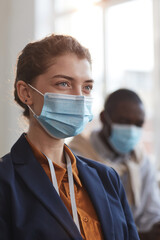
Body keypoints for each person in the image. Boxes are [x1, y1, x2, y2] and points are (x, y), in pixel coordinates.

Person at [0, 35, 139, 240]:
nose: (79, 97)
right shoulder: (5, 182)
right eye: (64, 84)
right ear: (26, 93)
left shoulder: (107, 178)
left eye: (87, 87)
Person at [69, 88, 160, 240]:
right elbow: (86, 224)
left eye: (138, 124)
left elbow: (150, 214)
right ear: (104, 118)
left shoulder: (141, 161)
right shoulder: (78, 160)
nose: (132, 130)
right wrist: (141, 236)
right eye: (124, 122)